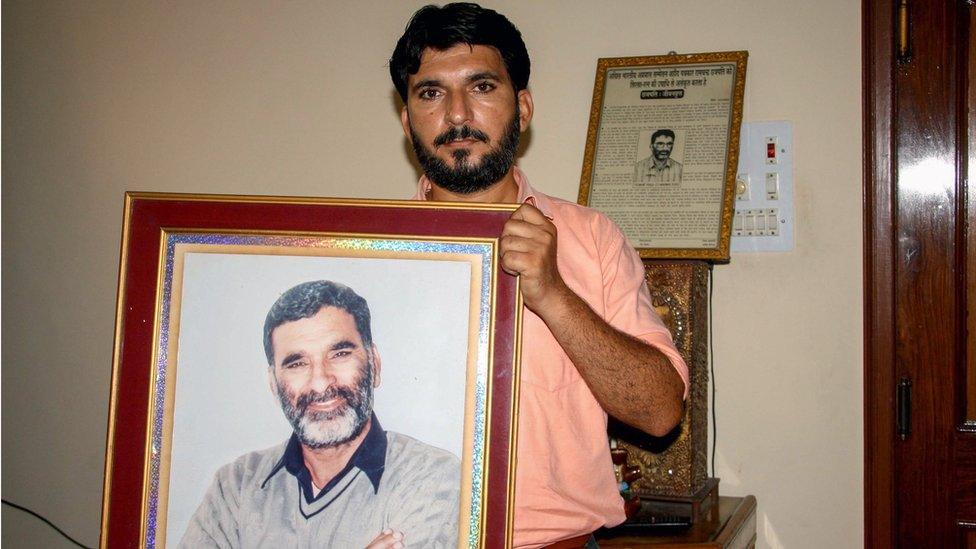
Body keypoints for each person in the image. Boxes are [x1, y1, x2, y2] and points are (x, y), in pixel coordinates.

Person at [390, 4, 690, 548]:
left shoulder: (593, 239)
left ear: (522, 108)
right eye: (431, 93)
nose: (458, 115)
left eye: (481, 87)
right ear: (407, 119)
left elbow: (661, 411)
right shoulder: (371, 257)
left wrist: (553, 294)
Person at [180, 280, 460, 549]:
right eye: (297, 363)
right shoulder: (236, 487)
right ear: (273, 385)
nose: (321, 383)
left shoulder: (433, 477)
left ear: (374, 364)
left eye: (339, 354)